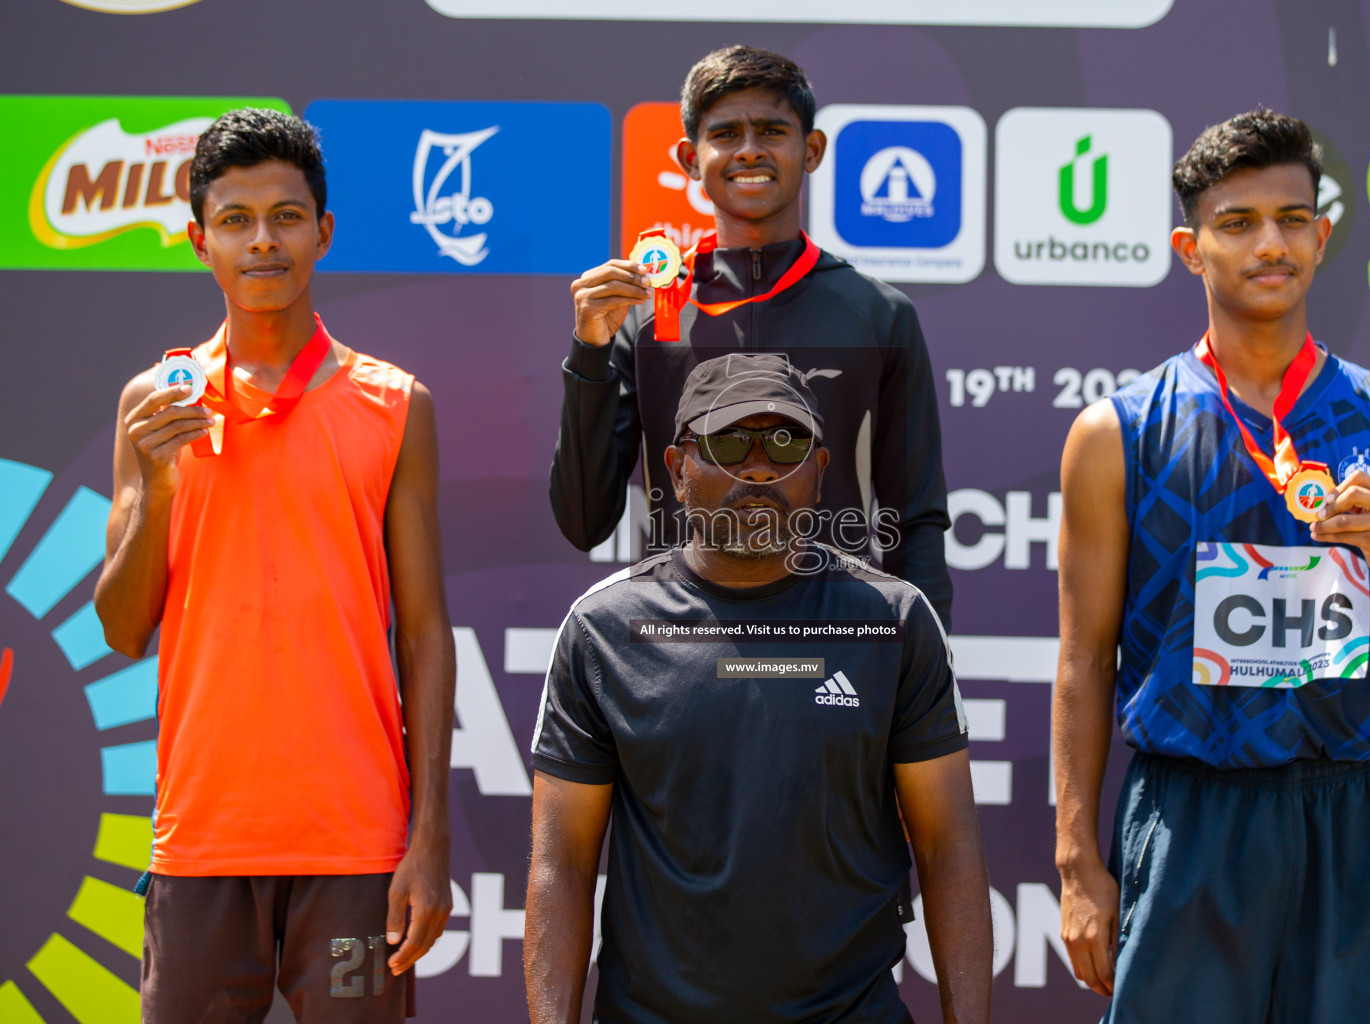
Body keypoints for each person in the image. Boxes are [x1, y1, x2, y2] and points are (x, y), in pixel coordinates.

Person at [1051, 109, 1370, 1023]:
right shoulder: (1117, 434)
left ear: (1323, 236)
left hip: (1350, 820)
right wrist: (1075, 861)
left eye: (1293, 220)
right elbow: (1083, 663)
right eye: (1238, 222)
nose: (1271, 243)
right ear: (1191, 248)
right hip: (1189, 818)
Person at [94, 109, 454, 1023]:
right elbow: (122, 626)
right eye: (236, 220)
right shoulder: (154, 402)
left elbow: (422, 630)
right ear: (197, 240)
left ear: (324, 232)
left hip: (356, 849)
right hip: (202, 841)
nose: (264, 241)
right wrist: (163, 487)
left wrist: (431, 839)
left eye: (287, 217)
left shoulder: (395, 404)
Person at [526, 353, 991, 1024]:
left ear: (820, 471)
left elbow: (949, 847)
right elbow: (561, 863)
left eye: (785, 441)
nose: (759, 467)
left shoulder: (893, 621)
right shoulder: (605, 630)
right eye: (730, 441)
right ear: (678, 470)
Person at [552, 44, 954, 626]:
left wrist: (925, 664)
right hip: (679, 642)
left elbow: (915, 519)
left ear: (810, 149)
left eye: (771, 130)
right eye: (726, 134)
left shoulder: (877, 313)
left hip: (835, 642)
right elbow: (583, 522)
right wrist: (589, 354)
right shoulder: (642, 315)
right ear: (691, 158)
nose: (749, 151)